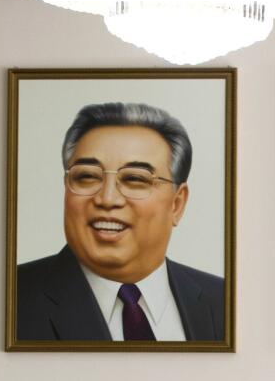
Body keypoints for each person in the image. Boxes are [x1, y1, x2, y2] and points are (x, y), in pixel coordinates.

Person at [16, 102, 225, 342]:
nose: (107, 199)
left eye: (135, 179)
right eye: (87, 176)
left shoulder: (223, 300)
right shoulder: (11, 297)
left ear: (177, 204)